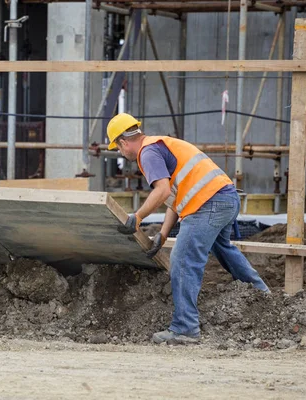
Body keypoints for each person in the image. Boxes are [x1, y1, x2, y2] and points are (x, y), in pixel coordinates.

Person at [107, 113, 270, 345]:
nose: (121, 153)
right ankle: (263, 294)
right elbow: (174, 199)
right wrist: (162, 235)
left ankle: (185, 328)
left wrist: (138, 216)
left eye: (118, 149)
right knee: (223, 248)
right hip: (225, 199)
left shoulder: (148, 153)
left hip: (207, 204)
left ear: (123, 142)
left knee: (182, 260)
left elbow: (162, 191)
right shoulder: (160, 145)